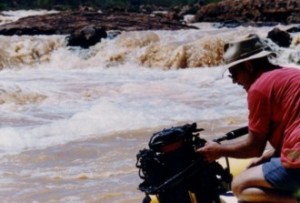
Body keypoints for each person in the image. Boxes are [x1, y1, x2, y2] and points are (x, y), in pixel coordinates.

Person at [197, 35, 300, 203]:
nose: (234, 81)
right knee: (264, 162)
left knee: (239, 186)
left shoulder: (259, 88)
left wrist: (218, 150)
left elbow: (253, 148)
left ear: (248, 65)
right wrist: (266, 158)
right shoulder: (291, 74)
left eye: (234, 73)